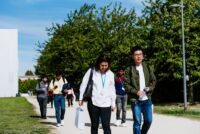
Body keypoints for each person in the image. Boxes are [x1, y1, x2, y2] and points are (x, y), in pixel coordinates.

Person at [79, 55, 116, 134]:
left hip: (106, 103)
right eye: (102, 65)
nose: (104, 67)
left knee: (106, 126)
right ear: (98, 64)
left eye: (106, 65)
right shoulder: (91, 71)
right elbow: (84, 84)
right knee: (94, 125)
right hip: (93, 102)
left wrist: (113, 103)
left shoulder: (111, 74)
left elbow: (112, 89)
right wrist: (80, 98)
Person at [124, 46, 156, 134]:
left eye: (140, 54)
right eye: (136, 54)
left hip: (147, 99)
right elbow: (126, 85)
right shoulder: (129, 69)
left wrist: (149, 88)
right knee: (137, 122)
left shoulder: (148, 68)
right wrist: (136, 92)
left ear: (143, 56)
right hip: (135, 100)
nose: (138, 56)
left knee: (148, 120)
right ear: (133, 56)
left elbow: (153, 80)